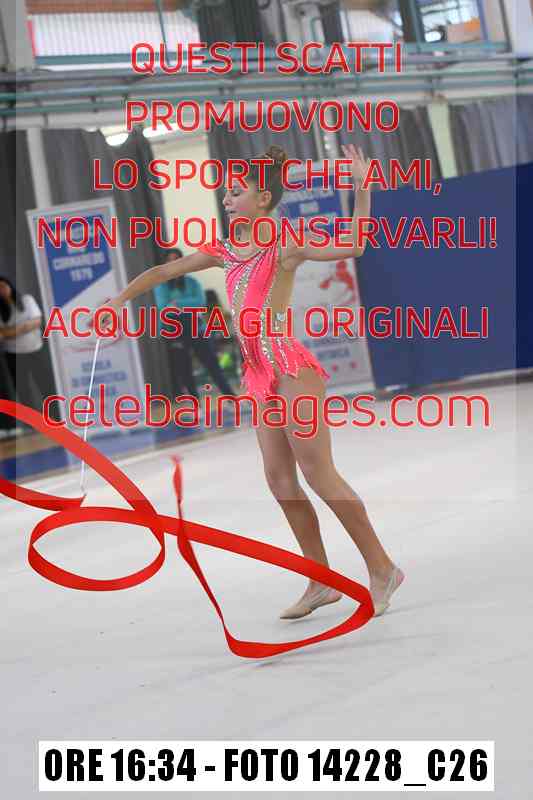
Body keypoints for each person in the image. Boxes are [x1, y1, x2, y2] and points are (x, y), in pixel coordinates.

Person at [94, 144, 404, 620]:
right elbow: (164, 270)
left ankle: (382, 567)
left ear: (263, 199)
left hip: (290, 368)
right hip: (258, 374)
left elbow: (355, 244)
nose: (226, 198)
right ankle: (320, 580)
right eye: (225, 192)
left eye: (236, 191)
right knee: (279, 480)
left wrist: (363, 190)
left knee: (318, 473)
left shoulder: (286, 244)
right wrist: (118, 301)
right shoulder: (223, 250)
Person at [156, 249, 237, 402]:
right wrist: (186, 304)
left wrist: (177, 303)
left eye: (177, 259)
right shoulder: (161, 286)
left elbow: (200, 302)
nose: (174, 263)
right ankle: (195, 403)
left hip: (195, 327)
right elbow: (164, 307)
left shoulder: (192, 282)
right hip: (174, 329)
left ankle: (230, 396)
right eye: (170, 260)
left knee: (212, 364)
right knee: (184, 368)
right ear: (165, 263)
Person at [0, 277, 45, 420]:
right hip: (13, 354)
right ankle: (33, 422)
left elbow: (37, 321)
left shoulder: (27, 300)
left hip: (36, 349)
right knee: (23, 391)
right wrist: (25, 326)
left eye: (3, 286)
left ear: (10, 285)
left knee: (46, 385)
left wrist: (12, 331)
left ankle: (55, 418)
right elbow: (2, 334)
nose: (2, 290)